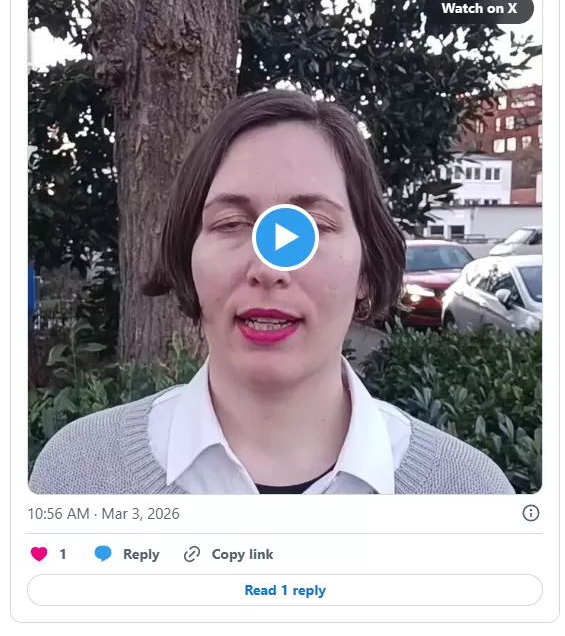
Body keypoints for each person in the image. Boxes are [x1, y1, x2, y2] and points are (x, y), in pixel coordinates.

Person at [30, 89, 514, 495]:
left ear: (366, 269)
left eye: (311, 227)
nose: (269, 268)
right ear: (188, 256)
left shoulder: (468, 495)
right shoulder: (79, 475)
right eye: (231, 223)